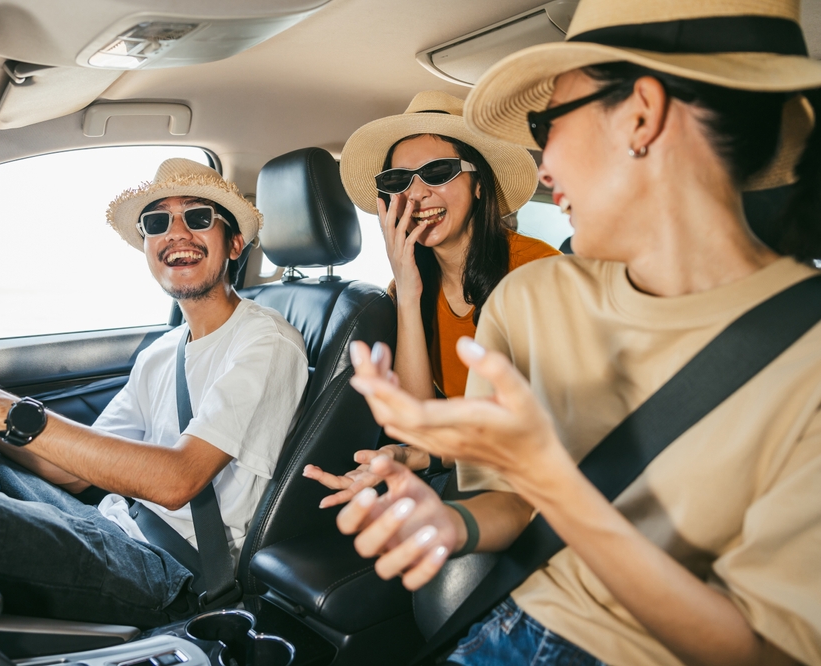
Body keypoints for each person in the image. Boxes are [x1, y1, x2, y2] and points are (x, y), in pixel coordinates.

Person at [335, 1, 821, 664]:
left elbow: (769, 653)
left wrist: (555, 484)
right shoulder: (533, 301)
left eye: (546, 124)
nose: (543, 160)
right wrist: (452, 520)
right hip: (505, 625)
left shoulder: (805, 355)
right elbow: (503, 495)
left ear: (641, 116)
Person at [0, 158, 309, 626]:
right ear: (147, 246)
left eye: (197, 218)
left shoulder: (265, 342)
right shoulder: (162, 352)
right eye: (157, 222)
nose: (176, 233)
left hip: (177, 567)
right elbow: (70, 474)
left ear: (234, 242)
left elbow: (177, 481)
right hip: (115, 522)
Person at [304, 91, 559, 507]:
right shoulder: (407, 287)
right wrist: (407, 290)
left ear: (479, 185)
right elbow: (420, 424)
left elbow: (545, 422)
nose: (416, 194)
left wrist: (427, 456)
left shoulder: (536, 270)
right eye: (397, 181)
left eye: (438, 171)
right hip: (469, 468)